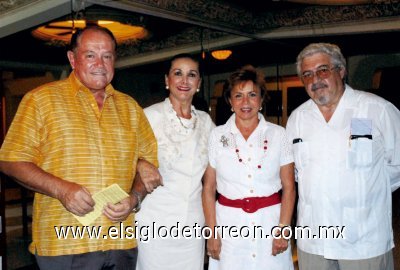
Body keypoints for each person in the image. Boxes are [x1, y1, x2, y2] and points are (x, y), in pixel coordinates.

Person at [0, 26, 161, 269]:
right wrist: (62, 189)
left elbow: (148, 164)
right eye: (90, 55)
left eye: (107, 56)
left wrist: (135, 198)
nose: (100, 63)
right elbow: (10, 160)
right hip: (65, 243)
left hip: (120, 241)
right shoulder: (40, 100)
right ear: (72, 59)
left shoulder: (131, 108)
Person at [286, 42, 400, 270]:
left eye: (323, 70)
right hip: (313, 240)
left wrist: (364, 191)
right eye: (307, 74)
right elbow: (297, 174)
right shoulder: (297, 119)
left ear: (341, 70)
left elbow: (396, 166)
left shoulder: (377, 109)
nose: (315, 80)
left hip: (364, 240)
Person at [203, 65, 296, 270]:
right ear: (230, 101)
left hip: (270, 225)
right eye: (238, 95)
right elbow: (208, 188)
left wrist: (283, 229)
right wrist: (212, 233)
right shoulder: (217, 136)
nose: (245, 102)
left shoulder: (279, 134)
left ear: (261, 100)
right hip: (229, 228)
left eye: (252, 94)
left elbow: (289, 187)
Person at [135, 54, 215, 270]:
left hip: (192, 225)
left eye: (192, 75)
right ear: (166, 80)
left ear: (198, 84)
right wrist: (140, 162)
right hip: (155, 223)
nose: (184, 80)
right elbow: (123, 155)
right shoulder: (149, 116)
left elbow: (213, 177)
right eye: (177, 73)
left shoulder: (207, 123)